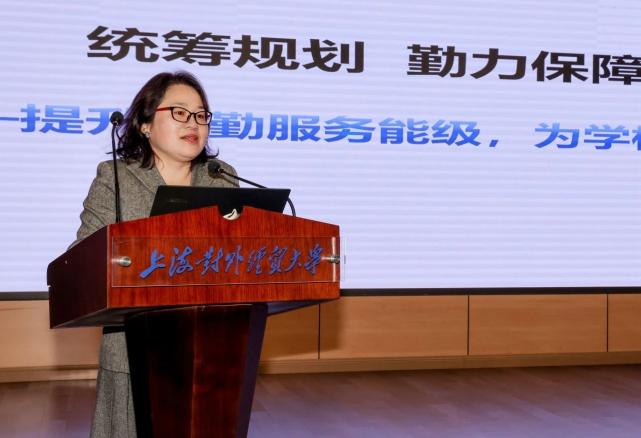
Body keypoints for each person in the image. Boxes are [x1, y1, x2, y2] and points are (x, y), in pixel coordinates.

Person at [72, 71, 238, 438]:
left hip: (211, 355)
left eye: (201, 115)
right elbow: (82, 259)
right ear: (145, 124)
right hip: (135, 352)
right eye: (179, 112)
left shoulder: (221, 177)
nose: (193, 123)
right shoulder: (115, 178)